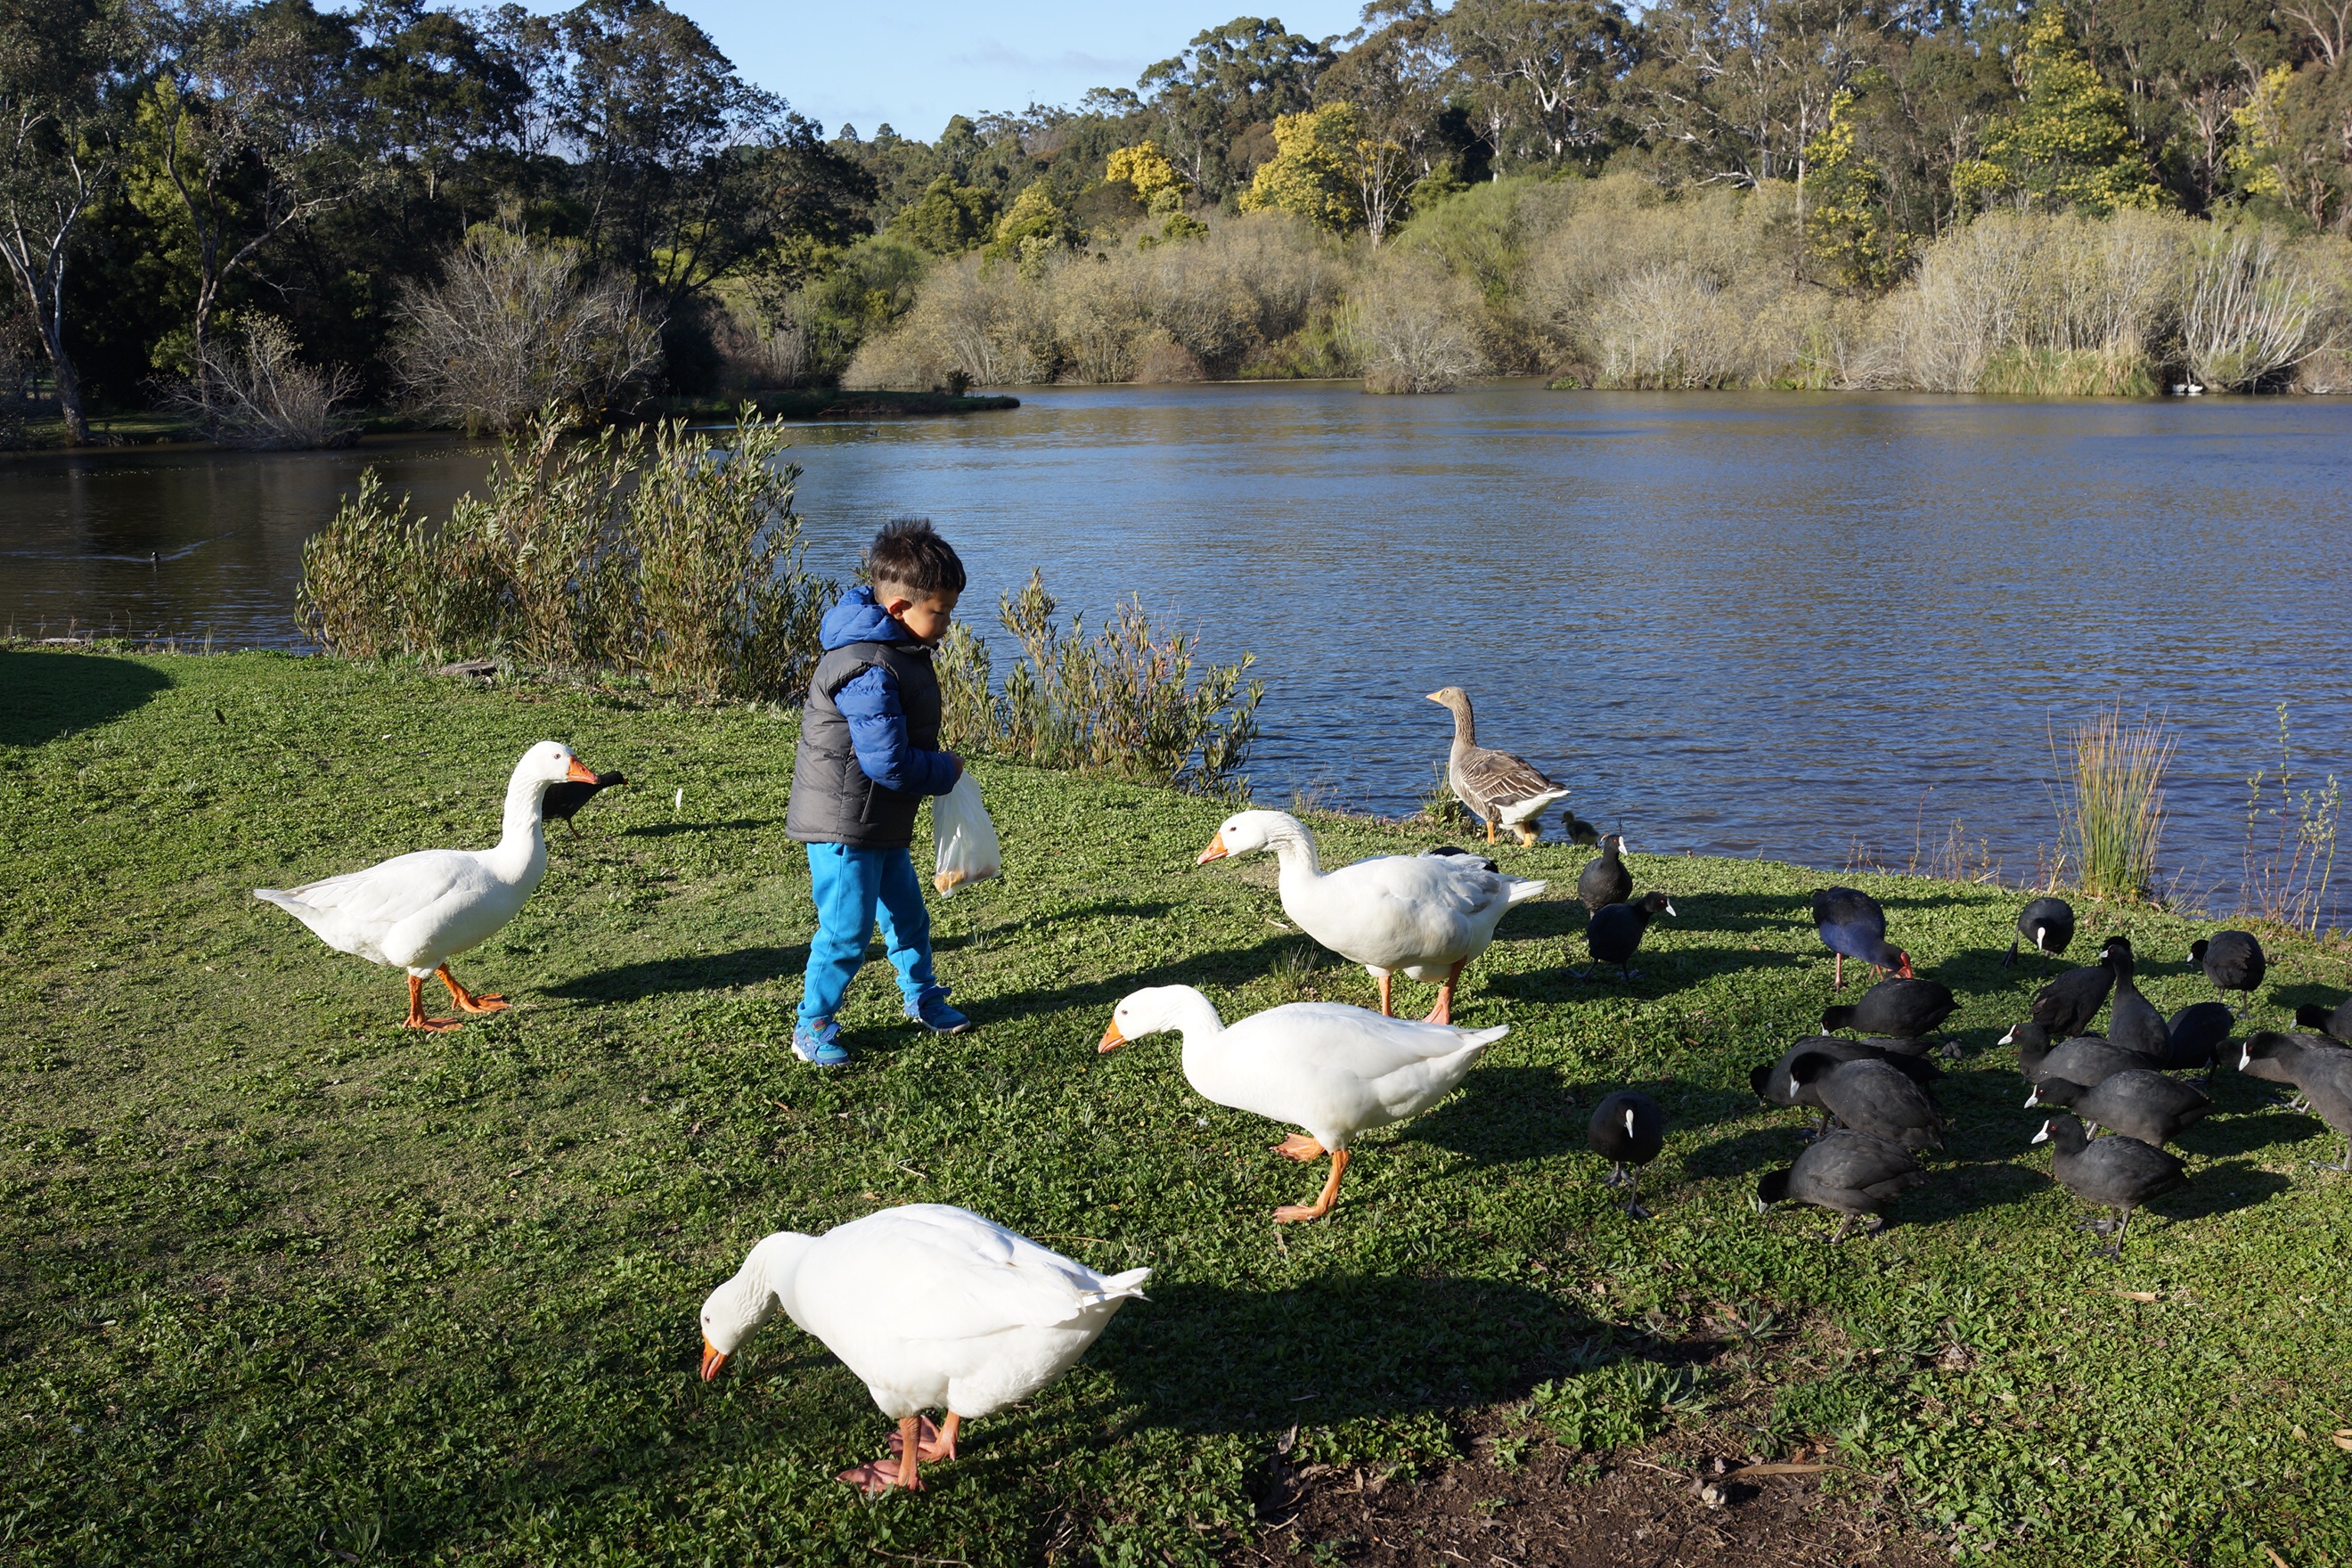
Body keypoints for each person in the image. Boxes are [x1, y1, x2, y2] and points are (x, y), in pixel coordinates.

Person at [785, 520, 971, 1066]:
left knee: (908, 916)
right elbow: (887, 761)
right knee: (846, 930)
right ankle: (811, 1025)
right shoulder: (867, 664)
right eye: (939, 612)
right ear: (898, 609)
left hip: (879, 820)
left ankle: (921, 997)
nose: (946, 623)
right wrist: (943, 770)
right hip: (844, 826)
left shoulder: (897, 649)